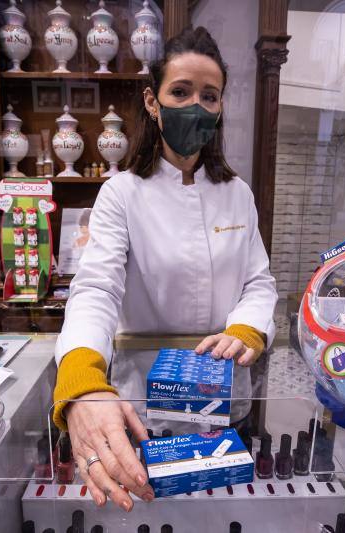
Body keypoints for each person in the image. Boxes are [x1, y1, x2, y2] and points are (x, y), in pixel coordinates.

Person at [52, 27, 278, 511]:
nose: (196, 105)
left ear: (220, 108)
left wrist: (248, 328)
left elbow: (259, 282)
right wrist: (80, 375)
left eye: (209, 96)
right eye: (181, 92)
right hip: (141, 404)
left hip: (222, 397)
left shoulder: (238, 194)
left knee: (219, 512)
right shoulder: (122, 193)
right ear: (153, 103)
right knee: (152, 510)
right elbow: (95, 289)